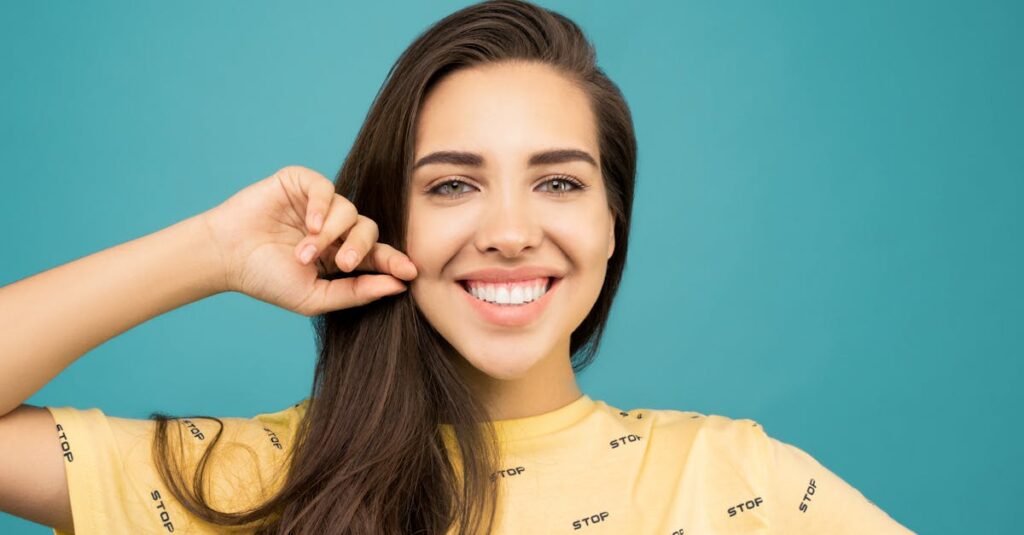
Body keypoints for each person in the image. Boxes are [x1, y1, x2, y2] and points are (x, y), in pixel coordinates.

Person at [0, 1, 915, 533]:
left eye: (558, 181)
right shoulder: (260, 481)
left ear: (611, 224)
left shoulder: (739, 483)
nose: (511, 232)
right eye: (452, 186)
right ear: (387, 218)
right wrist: (210, 251)